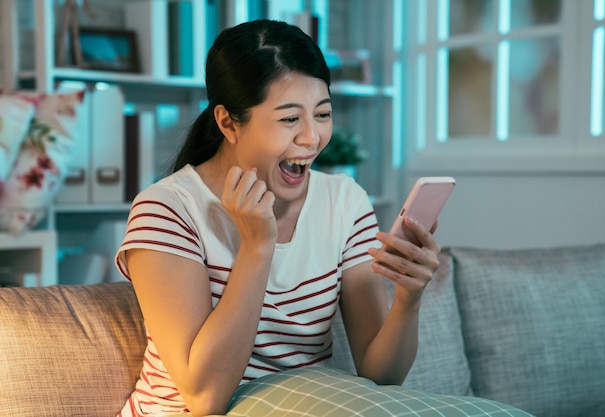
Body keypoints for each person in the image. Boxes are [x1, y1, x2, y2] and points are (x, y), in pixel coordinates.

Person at [115, 19, 441, 417]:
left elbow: (380, 379)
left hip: (307, 406)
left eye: (322, 114)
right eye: (289, 119)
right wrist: (256, 247)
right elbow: (205, 398)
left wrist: (409, 298)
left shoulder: (344, 201)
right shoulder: (166, 210)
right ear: (228, 123)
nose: (311, 138)